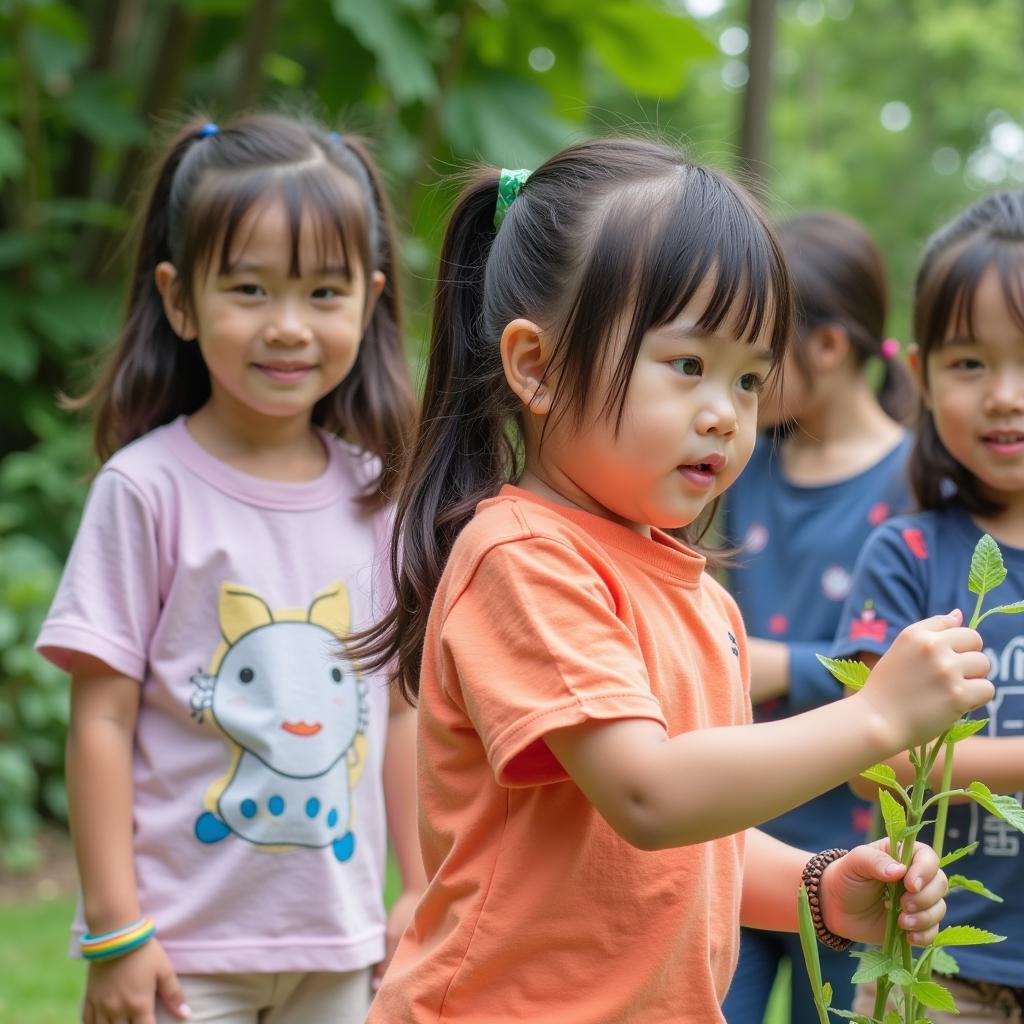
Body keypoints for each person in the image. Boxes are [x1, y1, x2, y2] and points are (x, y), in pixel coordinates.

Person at [354, 138, 992, 1024]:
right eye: (689, 365)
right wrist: (874, 716)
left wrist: (819, 888)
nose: (724, 415)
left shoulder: (694, 590)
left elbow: (694, 844)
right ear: (535, 366)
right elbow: (650, 794)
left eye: (749, 380)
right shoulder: (524, 557)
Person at [36, 113, 422, 1024]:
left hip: (340, 941)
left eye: (323, 293)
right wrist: (116, 931)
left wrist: (421, 890)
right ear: (179, 299)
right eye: (249, 288)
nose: (288, 327)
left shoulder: (382, 498)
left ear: (368, 301)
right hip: (180, 952)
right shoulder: (145, 491)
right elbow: (101, 718)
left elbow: (404, 715)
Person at [835, 190, 1024, 1023]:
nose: (1005, 395)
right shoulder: (909, 556)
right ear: (919, 374)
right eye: (970, 362)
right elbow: (876, 753)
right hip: (937, 973)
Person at [721, 212, 915, 1023]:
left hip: (854, 834)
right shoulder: (743, 460)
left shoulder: (914, 481)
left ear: (829, 348)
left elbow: (913, 666)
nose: (740, 383)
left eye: (760, 352)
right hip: (732, 824)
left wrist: (783, 665)